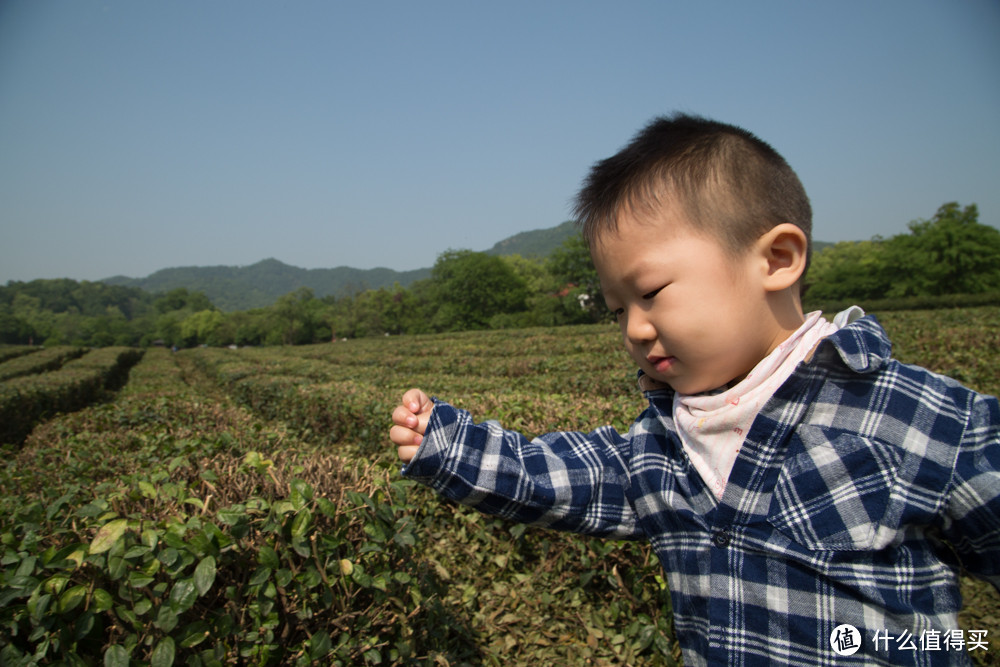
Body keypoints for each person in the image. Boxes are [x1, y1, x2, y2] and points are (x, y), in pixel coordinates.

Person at [389, 113, 1000, 666]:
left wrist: (932, 643)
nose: (633, 327)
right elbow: (555, 475)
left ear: (777, 259)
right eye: (616, 308)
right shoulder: (661, 445)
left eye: (651, 292)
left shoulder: (919, 418)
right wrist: (447, 443)